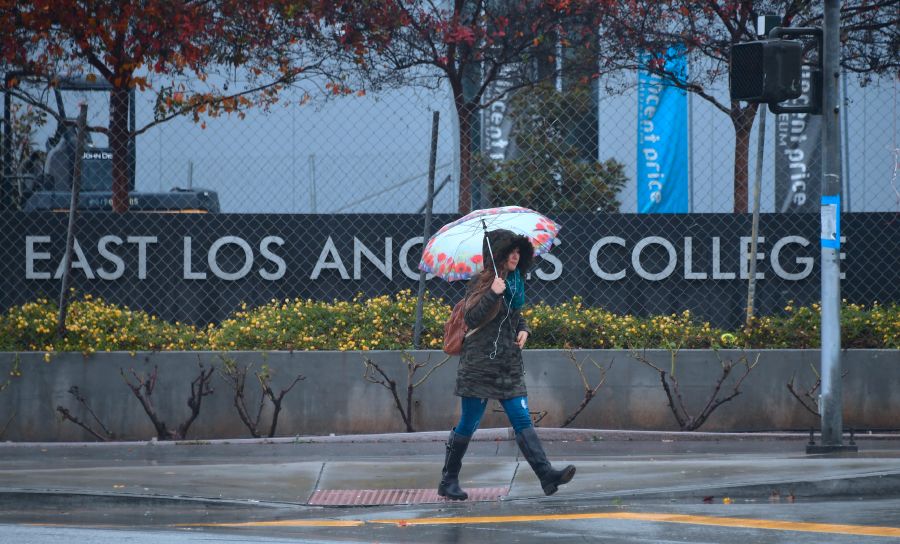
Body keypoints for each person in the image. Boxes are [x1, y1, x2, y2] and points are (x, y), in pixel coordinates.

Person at [437, 228, 576, 500]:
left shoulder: (514, 282)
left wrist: (524, 328)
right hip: (479, 365)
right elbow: (473, 318)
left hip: (507, 363)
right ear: (498, 254)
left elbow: (513, 315)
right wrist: (491, 293)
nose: (516, 255)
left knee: (522, 418)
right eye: (511, 251)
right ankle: (448, 480)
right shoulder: (481, 281)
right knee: (469, 423)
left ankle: (546, 475)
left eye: (519, 251)